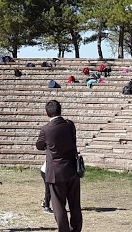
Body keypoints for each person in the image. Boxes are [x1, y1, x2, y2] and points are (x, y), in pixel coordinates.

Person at [36, 99, 82, 232]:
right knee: (75, 204)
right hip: (73, 170)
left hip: (56, 173)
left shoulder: (46, 129)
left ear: (47, 113)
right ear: (60, 110)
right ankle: (76, 229)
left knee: (59, 206)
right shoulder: (70, 125)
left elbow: (39, 145)